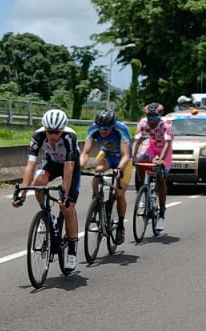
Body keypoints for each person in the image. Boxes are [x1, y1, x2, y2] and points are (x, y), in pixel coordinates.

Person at [13, 108, 80, 271]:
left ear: (62, 130)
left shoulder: (70, 137)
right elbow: (30, 165)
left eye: (57, 132)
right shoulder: (38, 136)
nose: (53, 136)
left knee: (68, 208)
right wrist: (22, 193)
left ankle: (72, 250)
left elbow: (69, 168)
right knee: (38, 183)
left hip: (70, 165)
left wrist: (64, 195)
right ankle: (49, 217)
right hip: (51, 163)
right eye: (50, 131)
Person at [81, 109, 133, 244]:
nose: (103, 131)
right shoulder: (93, 129)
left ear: (113, 126)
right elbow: (85, 152)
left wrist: (120, 169)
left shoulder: (121, 129)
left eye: (106, 128)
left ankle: (120, 225)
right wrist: (79, 166)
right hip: (108, 155)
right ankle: (96, 201)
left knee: (120, 193)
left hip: (123, 159)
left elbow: (126, 155)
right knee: (97, 171)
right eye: (100, 128)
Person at [132, 101, 174, 235]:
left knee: (160, 176)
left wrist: (161, 159)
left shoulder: (166, 124)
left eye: (154, 118)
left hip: (164, 149)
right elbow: (137, 141)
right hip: (151, 146)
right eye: (149, 117)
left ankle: (161, 213)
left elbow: (167, 144)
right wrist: (133, 157)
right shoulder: (142, 122)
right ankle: (142, 193)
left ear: (159, 116)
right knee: (140, 161)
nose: (150, 120)